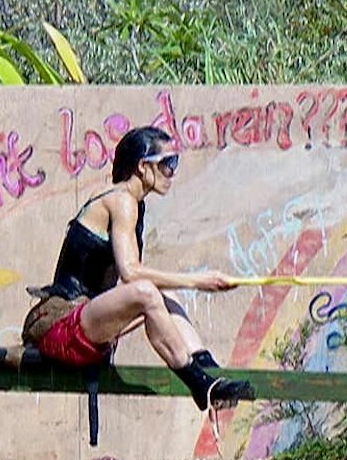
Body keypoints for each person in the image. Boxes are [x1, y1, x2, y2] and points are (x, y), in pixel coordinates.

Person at [23, 126, 253, 411]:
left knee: (166, 298)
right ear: (143, 167)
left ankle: (209, 371)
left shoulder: (134, 205)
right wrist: (197, 280)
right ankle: (199, 383)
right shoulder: (122, 201)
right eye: (168, 164)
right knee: (147, 292)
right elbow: (131, 272)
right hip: (60, 328)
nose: (173, 172)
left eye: (174, 162)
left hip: (85, 322)